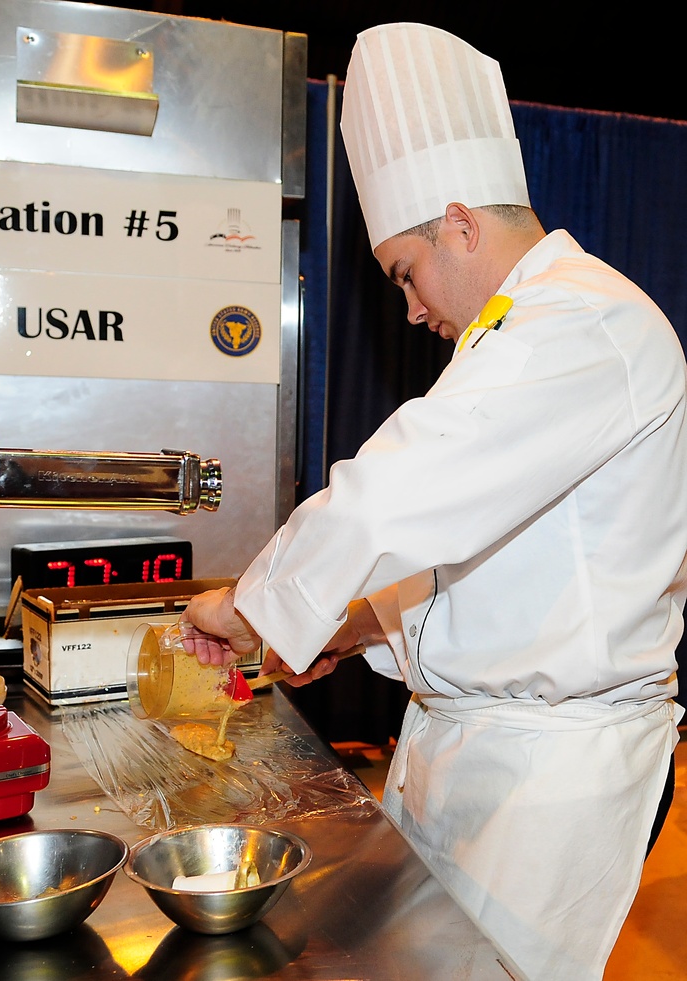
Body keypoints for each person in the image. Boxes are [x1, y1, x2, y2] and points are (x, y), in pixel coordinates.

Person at [183, 23, 687, 981]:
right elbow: (481, 563)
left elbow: (396, 493)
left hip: (546, 783)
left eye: (406, 273)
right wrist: (347, 627)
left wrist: (250, 606)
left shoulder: (586, 321)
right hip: (468, 754)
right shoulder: (510, 339)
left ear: (459, 223)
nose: (410, 308)